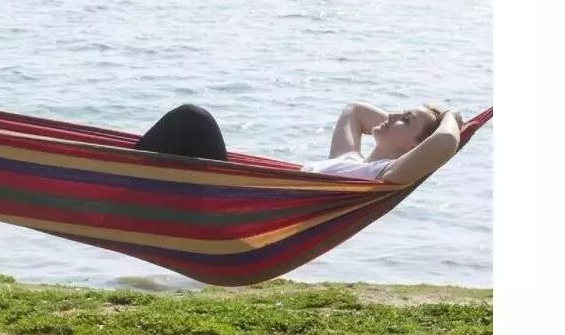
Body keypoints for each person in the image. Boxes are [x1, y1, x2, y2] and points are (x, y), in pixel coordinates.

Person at [133, 101, 463, 185]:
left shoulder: (384, 174)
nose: (392, 114)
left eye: (406, 119)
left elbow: (445, 141)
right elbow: (354, 111)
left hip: (239, 207)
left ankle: (119, 186)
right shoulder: (350, 161)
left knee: (193, 120)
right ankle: (121, 183)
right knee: (185, 131)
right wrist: (394, 124)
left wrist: (451, 115)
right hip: (234, 195)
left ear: (415, 147)